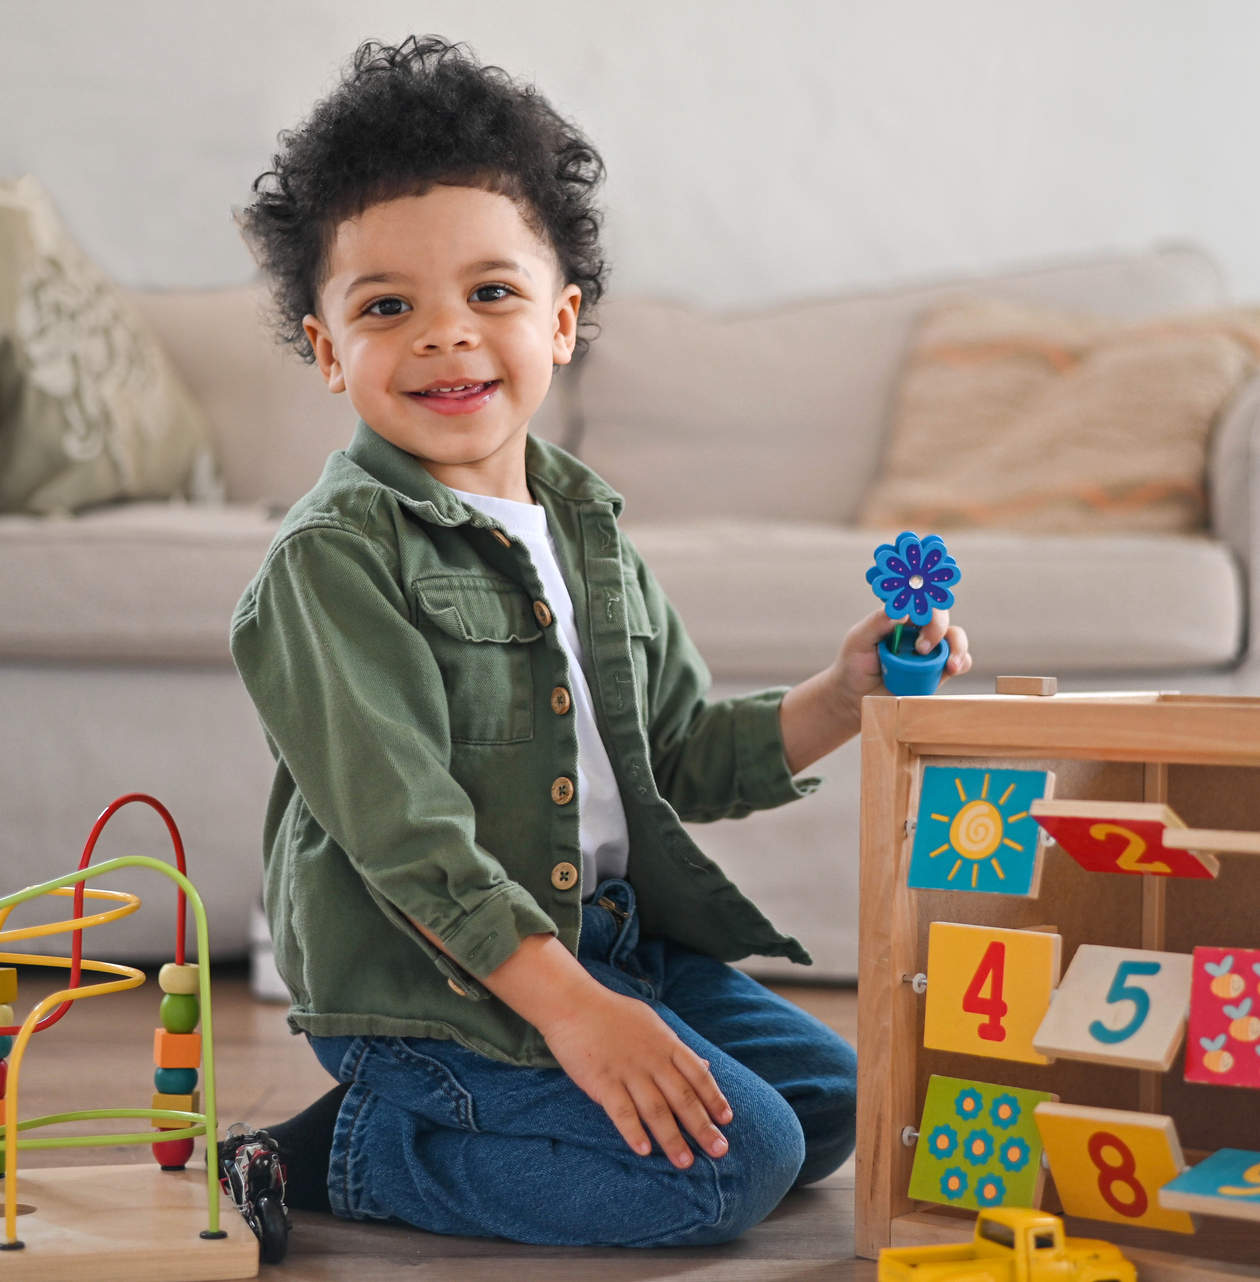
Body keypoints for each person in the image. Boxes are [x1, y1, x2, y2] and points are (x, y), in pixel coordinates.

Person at [227, 36, 971, 1248]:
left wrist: (844, 694)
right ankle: (351, 1147)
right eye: (385, 307)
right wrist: (575, 1012)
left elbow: (673, 752)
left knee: (840, 1105)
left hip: (611, 942)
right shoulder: (333, 559)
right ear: (326, 351)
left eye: (492, 293)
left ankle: (511, 1090)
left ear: (562, 322)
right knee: (729, 1170)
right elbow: (408, 846)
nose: (445, 335)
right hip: (435, 988)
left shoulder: (584, 527)